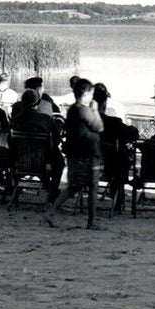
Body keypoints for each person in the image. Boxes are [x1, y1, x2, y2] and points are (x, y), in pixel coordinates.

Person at [46, 78, 104, 226]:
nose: (92, 96)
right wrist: (96, 110)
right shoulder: (83, 110)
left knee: (73, 187)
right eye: (91, 93)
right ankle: (91, 221)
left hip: (75, 152)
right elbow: (98, 127)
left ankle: (53, 211)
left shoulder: (73, 109)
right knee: (92, 186)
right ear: (85, 93)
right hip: (87, 153)